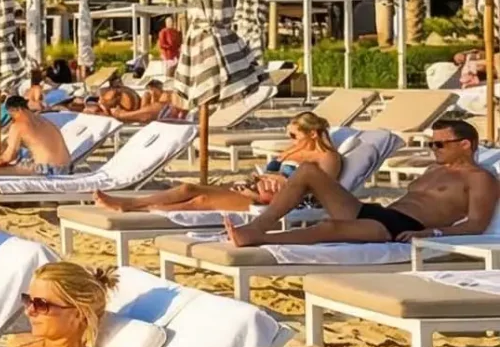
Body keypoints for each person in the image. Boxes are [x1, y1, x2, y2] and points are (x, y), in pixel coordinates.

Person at [226, 118, 497, 247]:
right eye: (431, 143)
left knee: (330, 226)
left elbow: (476, 225)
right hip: (382, 214)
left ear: (464, 144)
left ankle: (263, 239)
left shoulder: (480, 178)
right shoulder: (432, 170)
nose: (433, 148)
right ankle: (258, 225)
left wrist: (431, 234)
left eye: (439, 144)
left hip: (403, 228)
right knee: (308, 171)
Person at [96, 110, 342, 212]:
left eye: (294, 135)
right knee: (187, 188)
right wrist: (273, 168)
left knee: (201, 200)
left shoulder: (328, 157)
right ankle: (131, 202)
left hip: (278, 203)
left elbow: (322, 191)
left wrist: (280, 181)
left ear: (312, 134)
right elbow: (267, 171)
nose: (290, 139)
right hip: (254, 190)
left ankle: (148, 211)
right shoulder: (291, 152)